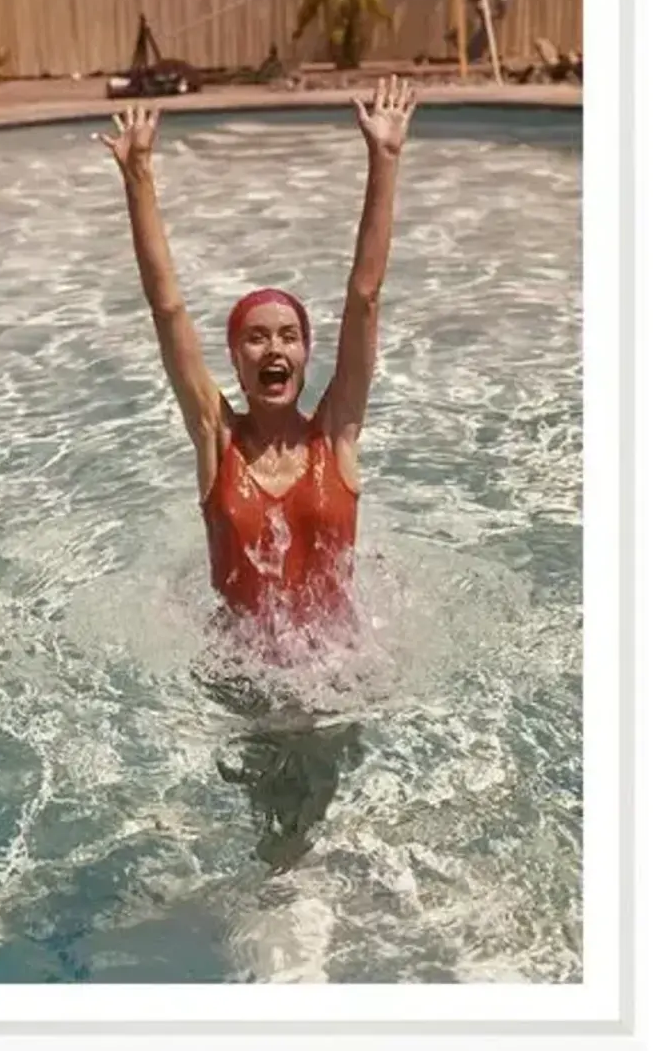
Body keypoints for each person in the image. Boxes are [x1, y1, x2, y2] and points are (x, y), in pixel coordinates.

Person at [97, 75, 418, 657]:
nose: (274, 349)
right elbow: (167, 308)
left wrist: (386, 159)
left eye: (289, 337)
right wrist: (138, 178)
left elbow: (364, 295)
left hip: (341, 684)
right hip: (238, 692)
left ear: (304, 355)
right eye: (256, 339)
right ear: (236, 362)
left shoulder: (335, 433)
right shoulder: (215, 439)